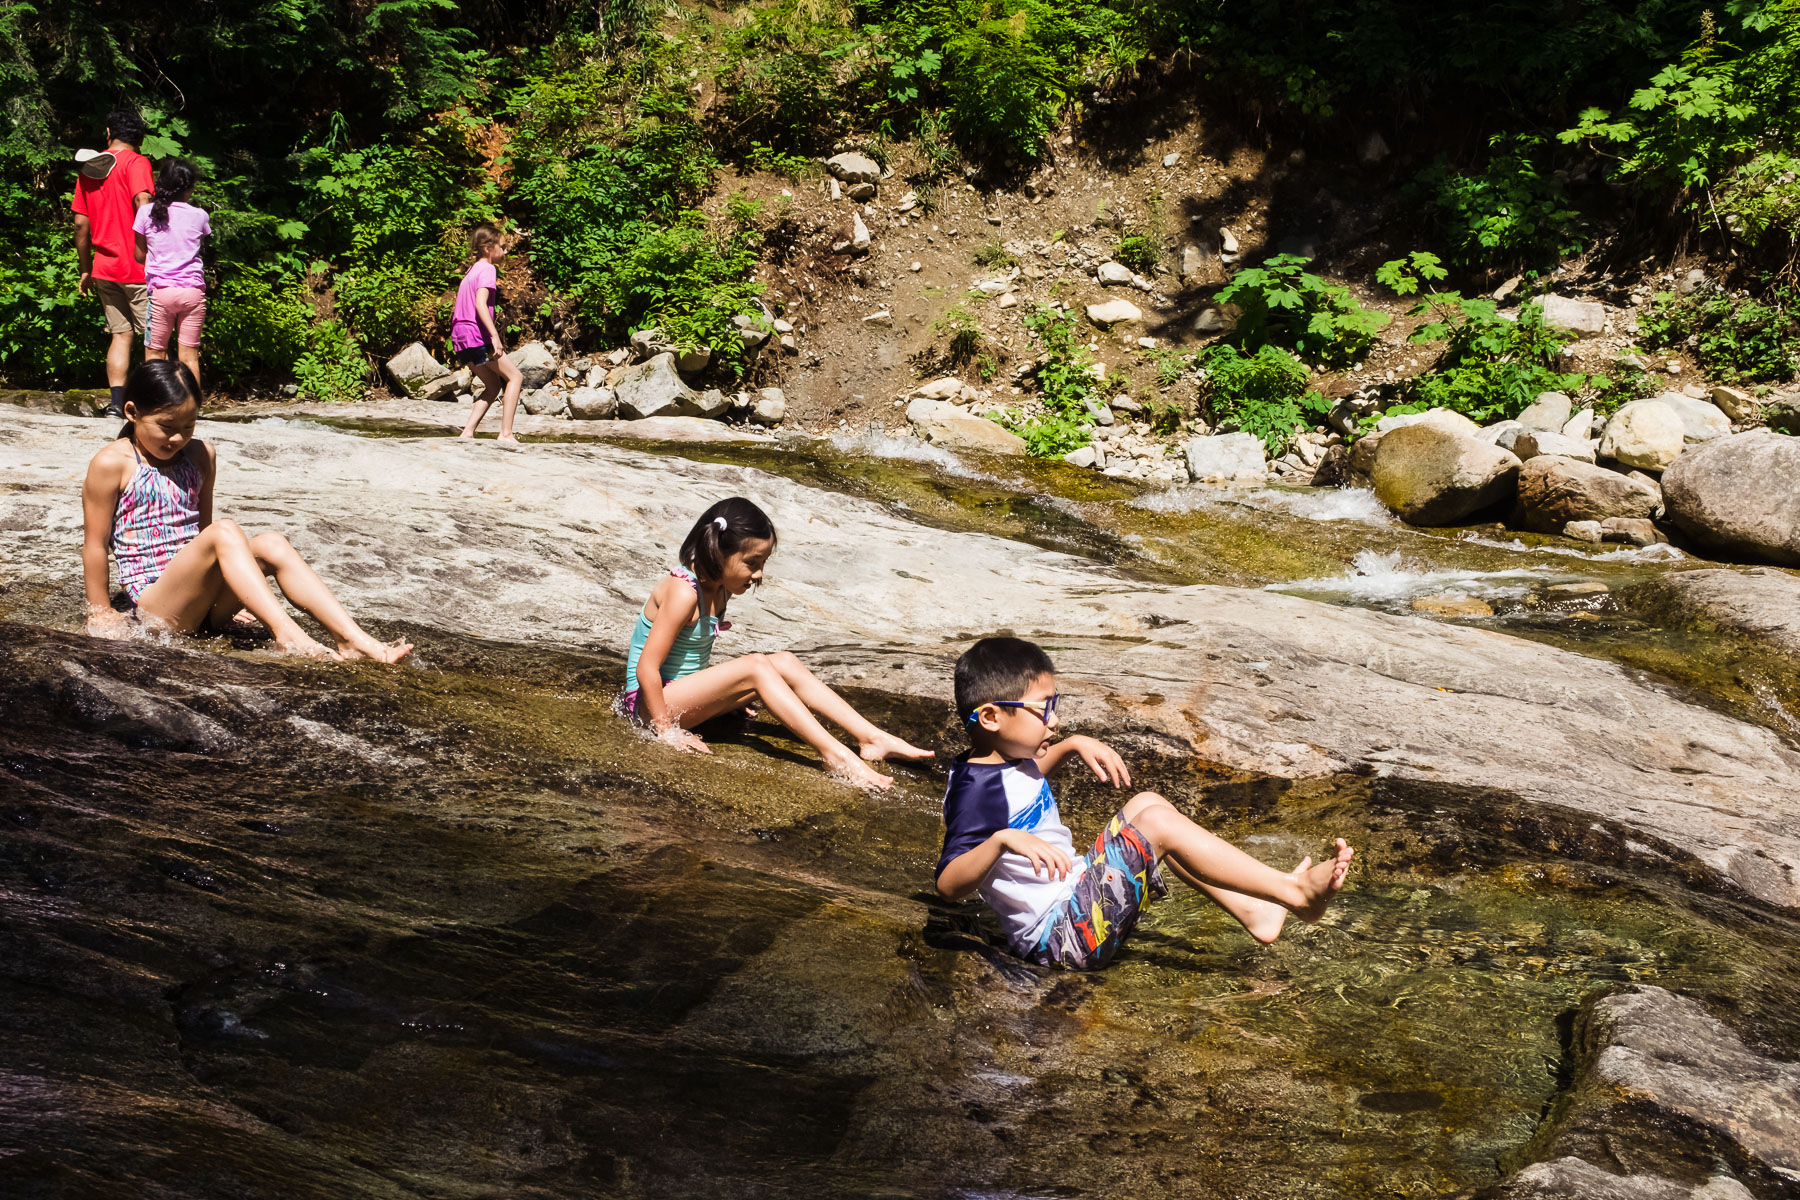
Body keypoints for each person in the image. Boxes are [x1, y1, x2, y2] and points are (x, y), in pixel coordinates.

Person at [935, 637, 1354, 969]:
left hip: (1074, 903)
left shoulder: (1000, 762)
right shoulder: (975, 793)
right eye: (1043, 710)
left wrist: (1071, 746)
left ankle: (1255, 911)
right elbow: (949, 886)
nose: (1055, 720)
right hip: (1060, 940)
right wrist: (1003, 841)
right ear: (991, 718)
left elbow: (1021, 784)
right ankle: (1293, 893)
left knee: (1146, 803)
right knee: (1155, 824)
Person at [80, 360, 413, 663]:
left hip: (200, 604)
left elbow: (202, 533)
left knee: (271, 543)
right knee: (225, 532)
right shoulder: (111, 463)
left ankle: (353, 640)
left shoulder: (200, 455)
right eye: (166, 427)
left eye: (189, 426)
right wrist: (101, 613)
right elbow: (95, 544)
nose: (178, 437)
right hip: (155, 605)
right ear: (131, 412)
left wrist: (237, 589)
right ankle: (287, 634)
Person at [624, 497, 934, 790]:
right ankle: (837, 757)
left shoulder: (720, 587)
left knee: (784, 661)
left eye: (763, 562)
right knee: (756, 666)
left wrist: (721, 694)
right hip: (650, 707)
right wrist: (668, 732)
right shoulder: (683, 593)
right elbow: (646, 668)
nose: (758, 574)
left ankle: (872, 737)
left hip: (679, 696)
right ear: (718, 554)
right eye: (752, 563)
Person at [71, 110, 155, 417]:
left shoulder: (91, 169)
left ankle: (117, 405)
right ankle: (151, 404)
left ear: (108, 133)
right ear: (140, 137)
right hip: (138, 267)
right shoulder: (138, 163)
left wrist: (85, 268)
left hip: (104, 268)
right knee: (152, 338)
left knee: (120, 335)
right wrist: (149, 251)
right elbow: (143, 203)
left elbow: (81, 224)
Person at [133, 158, 211, 387]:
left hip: (161, 293)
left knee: (155, 356)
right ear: (189, 188)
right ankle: (192, 411)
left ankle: (156, 404)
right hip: (193, 293)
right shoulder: (200, 215)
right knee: (189, 357)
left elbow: (139, 255)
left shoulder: (146, 212)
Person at [450, 223, 522, 442]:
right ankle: (506, 434)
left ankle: (467, 432)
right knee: (515, 377)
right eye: (502, 246)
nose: (505, 250)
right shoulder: (488, 269)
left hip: (460, 336)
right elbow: (481, 305)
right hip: (476, 334)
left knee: (493, 386)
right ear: (488, 247)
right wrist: (495, 335)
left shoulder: (471, 271)